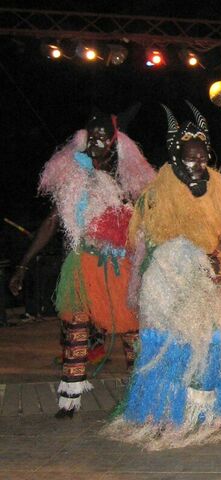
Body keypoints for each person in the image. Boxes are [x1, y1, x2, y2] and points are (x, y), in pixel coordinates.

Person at [103, 103, 221, 450]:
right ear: (175, 158)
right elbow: (161, 240)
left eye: (203, 158)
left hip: (217, 285)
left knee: (220, 344)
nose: (198, 165)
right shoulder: (159, 192)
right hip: (171, 288)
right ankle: (174, 413)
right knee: (177, 348)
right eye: (190, 160)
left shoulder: (216, 184)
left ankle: (213, 412)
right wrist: (204, 259)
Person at [9, 105, 155, 418]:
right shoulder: (73, 176)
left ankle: (143, 393)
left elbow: (145, 222)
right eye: (93, 135)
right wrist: (23, 264)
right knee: (75, 326)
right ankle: (70, 397)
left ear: (114, 142)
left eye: (104, 137)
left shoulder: (125, 179)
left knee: (131, 327)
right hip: (82, 261)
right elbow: (52, 221)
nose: (98, 141)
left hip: (118, 263)